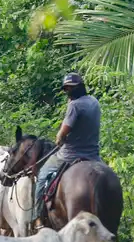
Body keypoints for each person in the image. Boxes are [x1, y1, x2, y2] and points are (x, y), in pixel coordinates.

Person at [32, 73, 101, 230]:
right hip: (93, 155)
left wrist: (58, 138)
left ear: (76, 88)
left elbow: (63, 133)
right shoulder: (94, 102)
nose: (68, 91)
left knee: (42, 176)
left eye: (69, 88)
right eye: (66, 89)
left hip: (70, 154)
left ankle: (37, 218)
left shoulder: (74, 106)